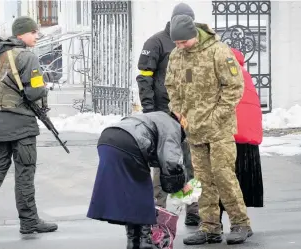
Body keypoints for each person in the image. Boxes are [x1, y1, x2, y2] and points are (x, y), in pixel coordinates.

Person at [165, 7, 252, 245]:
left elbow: (235, 88)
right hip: (194, 130)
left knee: (223, 176)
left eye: (183, 41)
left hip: (219, 129)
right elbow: (171, 86)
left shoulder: (218, 52)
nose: (180, 45)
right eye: (177, 42)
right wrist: (179, 111)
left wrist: (216, 117)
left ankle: (240, 223)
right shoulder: (176, 55)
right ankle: (210, 227)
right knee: (202, 181)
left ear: (195, 33)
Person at [0, 16, 57, 239]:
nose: (36, 36)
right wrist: (42, 89)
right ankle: (29, 221)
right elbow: (35, 92)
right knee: (25, 171)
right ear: (21, 34)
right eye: (33, 32)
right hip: (22, 124)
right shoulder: (27, 57)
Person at [136, 2, 199, 226]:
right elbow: (144, 78)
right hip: (163, 114)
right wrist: (150, 111)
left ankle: (193, 209)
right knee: (164, 163)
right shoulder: (156, 42)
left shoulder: (192, 44)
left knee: (189, 164)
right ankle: (157, 209)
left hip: (186, 115)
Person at [87, 111, 188, 249]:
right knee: (143, 192)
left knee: (131, 195)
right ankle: (145, 240)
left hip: (107, 140)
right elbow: (170, 161)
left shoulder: (154, 116)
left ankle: (133, 241)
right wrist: (179, 183)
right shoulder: (172, 125)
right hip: (129, 143)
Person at [219, 48, 264, 226]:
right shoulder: (242, 72)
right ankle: (239, 222)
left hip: (230, 133)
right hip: (248, 135)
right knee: (241, 179)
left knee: (224, 178)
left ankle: (227, 221)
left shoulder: (223, 71)